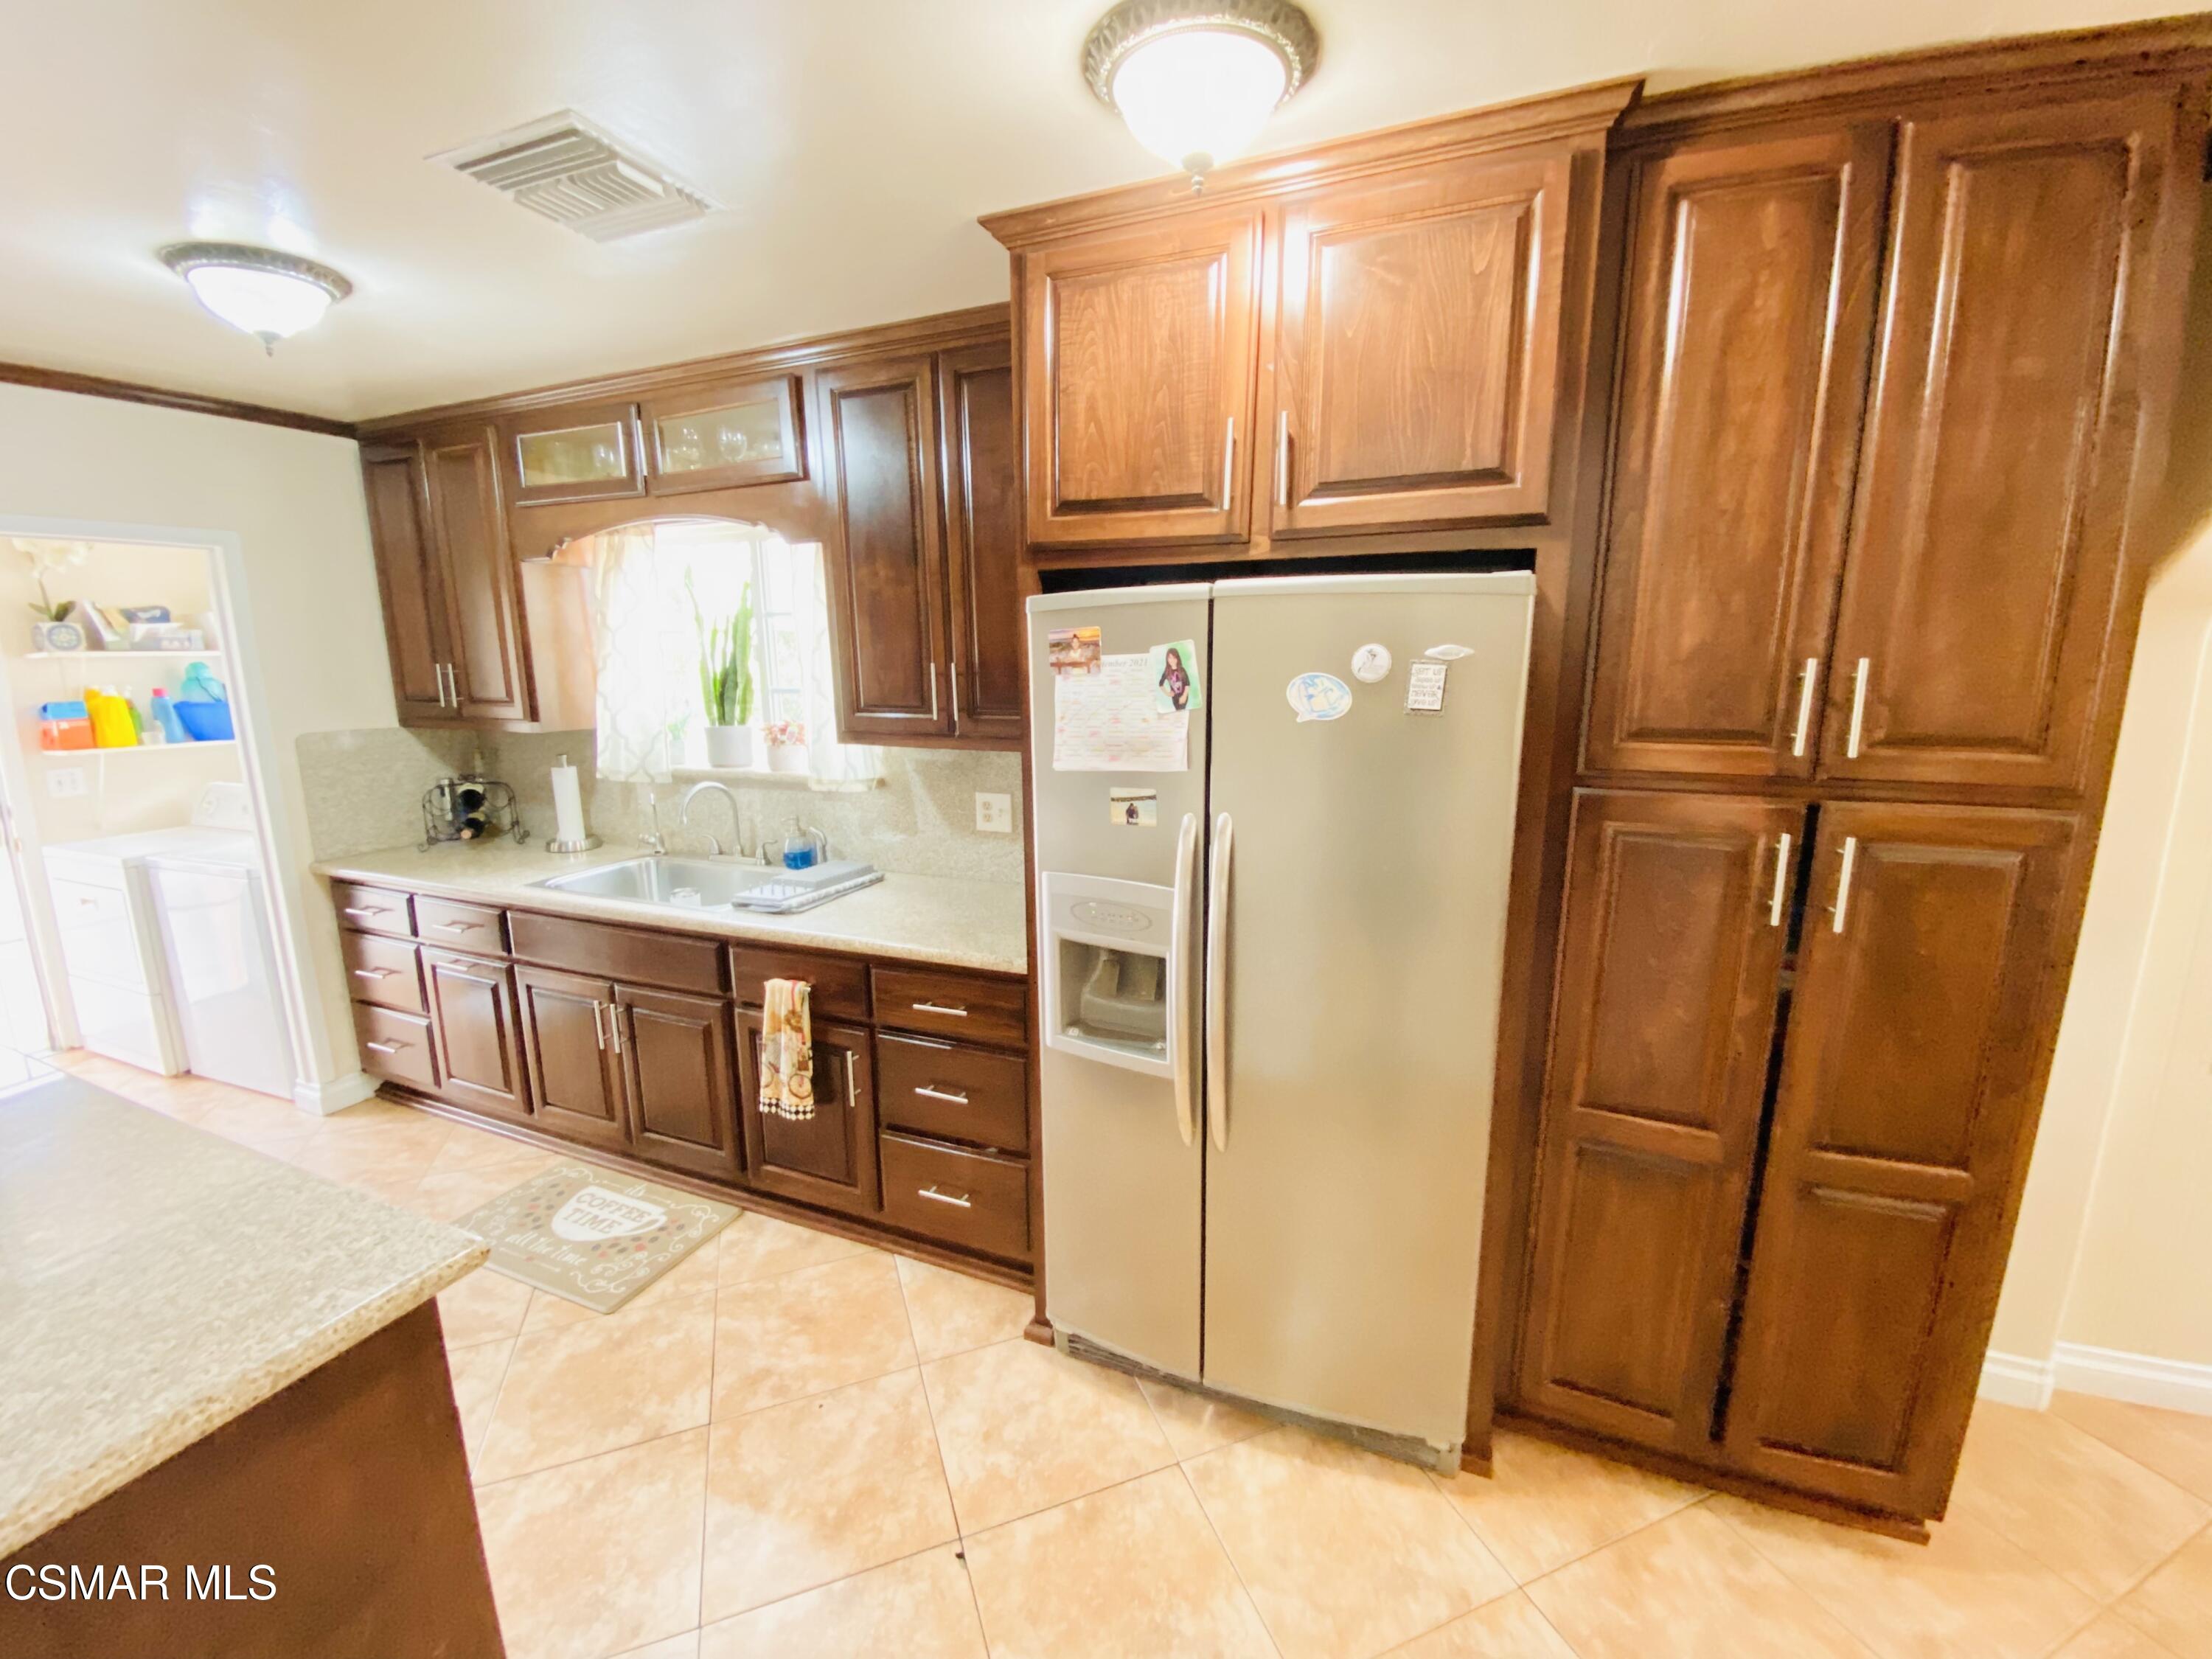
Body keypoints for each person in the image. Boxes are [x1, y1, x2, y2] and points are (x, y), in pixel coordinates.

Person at [1158, 644, 1191, 712]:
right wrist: (1168, 694)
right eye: (1170, 658)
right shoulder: (1167, 672)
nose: (1172, 660)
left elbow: (1187, 684)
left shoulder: (1182, 670)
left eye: (1174, 657)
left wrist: (1184, 696)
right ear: (1167, 659)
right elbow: (1161, 684)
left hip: (1184, 697)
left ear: (1177, 659)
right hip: (1175, 699)